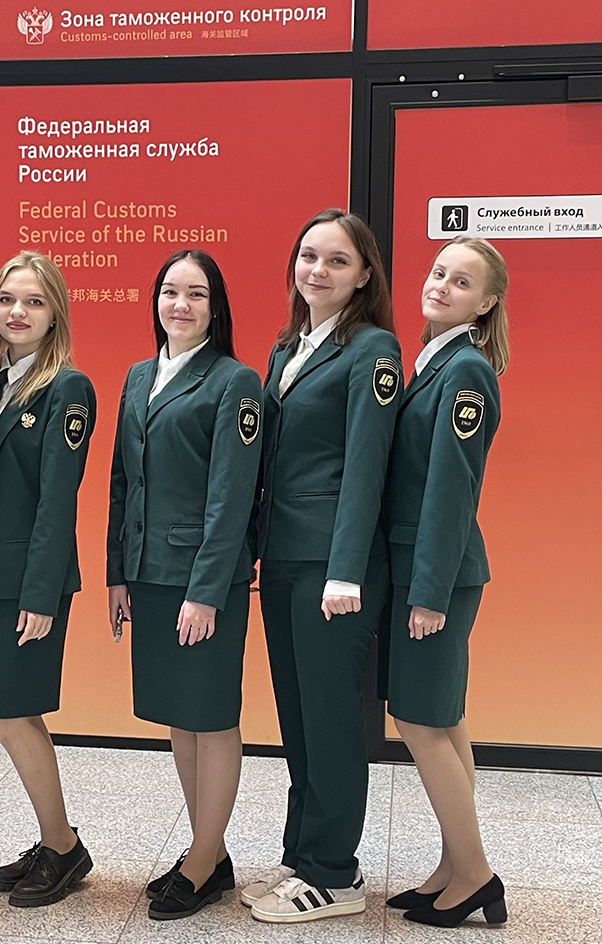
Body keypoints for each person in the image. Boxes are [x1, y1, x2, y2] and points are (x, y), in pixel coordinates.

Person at [248, 209, 402, 923]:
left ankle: (334, 872)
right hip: (283, 556)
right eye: (309, 256)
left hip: (333, 567)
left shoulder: (373, 350)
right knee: (299, 715)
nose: (318, 270)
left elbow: (367, 465)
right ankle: (302, 854)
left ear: (365, 275)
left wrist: (346, 571)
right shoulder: (288, 348)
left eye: (338, 261)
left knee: (331, 718)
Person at [107, 250, 262, 921]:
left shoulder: (235, 382)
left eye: (196, 294)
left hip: (203, 580)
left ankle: (200, 861)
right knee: (180, 715)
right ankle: (211, 851)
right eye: (171, 291)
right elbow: (122, 482)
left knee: (211, 715)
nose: (181, 304)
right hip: (148, 573)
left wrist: (206, 590)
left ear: (215, 307)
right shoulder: (139, 375)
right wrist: (117, 572)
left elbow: (232, 497)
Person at [0, 250, 97, 908]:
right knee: (7, 713)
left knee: (10, 714)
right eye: (8, 300)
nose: (18, 312)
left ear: (55, 315)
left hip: (27, 582)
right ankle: (56, 842)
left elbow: (56, 500)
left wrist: (40, 593)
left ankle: (63, 847)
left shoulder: (67, 389)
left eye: (34, 302)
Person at [382, 236, 509, 928]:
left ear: (485, 304)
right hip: (425, 568)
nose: (442, 286)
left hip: (438, 576)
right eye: (438, 273)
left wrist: (428, 592)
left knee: (420, 720)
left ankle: (478, 875)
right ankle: (455, 866)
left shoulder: (465, 372)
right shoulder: (433, 361)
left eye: (462, 282)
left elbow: (452, 492)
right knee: (442, 718)